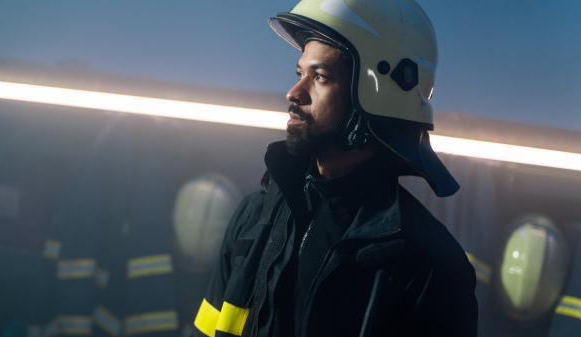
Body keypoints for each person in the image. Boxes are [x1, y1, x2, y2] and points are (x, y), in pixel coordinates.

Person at [192, 0, 478, 336]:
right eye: (300, 73)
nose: (294, 92)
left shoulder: (430, 266)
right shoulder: (253, 218)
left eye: (320, 77)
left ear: (376, 95)